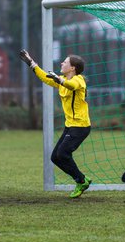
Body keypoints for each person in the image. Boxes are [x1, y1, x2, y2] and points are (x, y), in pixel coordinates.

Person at [20, 49, 92, 198]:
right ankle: (81, 179)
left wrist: (60, 80)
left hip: (80, 127)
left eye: (65, 62)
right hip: (70, 126)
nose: (62, 63)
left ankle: (81, 180)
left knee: (63, 154)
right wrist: (31, 63)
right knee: (55, 157)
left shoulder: (78, 80)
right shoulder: (62, 81)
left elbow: (71, 85)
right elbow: (46, 78)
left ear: (72, 68)